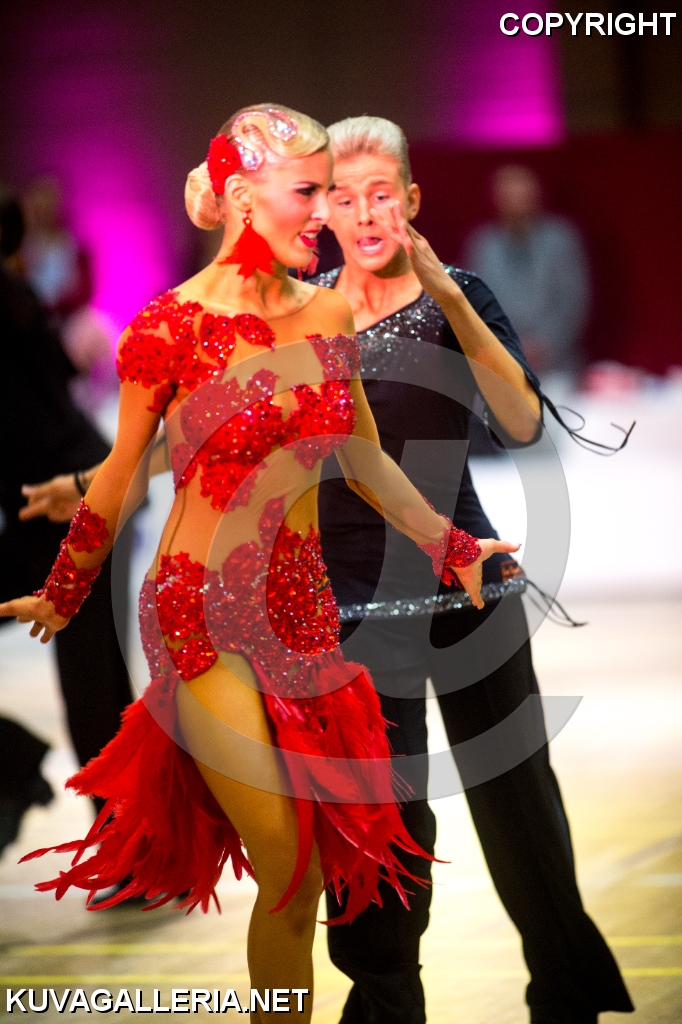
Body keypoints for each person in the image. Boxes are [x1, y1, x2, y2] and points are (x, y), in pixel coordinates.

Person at [0, 105, 517, 1022]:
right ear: (242, 196)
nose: (324, 211)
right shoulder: (168, 325)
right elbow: (120, 476)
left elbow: (361, 458)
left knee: (306, 877)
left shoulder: (326, 310)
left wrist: (455, 545)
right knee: (288, 861)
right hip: (199, 612)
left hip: (302, 611)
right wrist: (63, 589)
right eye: (308, 191)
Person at [313, 117, 632, 1024]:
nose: (365, 213)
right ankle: (384, 1009)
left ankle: (567, 992)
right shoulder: (302, 309)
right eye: (345, 196)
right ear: (323, 209)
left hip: (467, 586)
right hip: (355, 605)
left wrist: (450, 297)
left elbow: (523, 424)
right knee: (383, 820)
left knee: (517, 803)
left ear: (411, 200)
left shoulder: (461, 293)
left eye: (382, 194)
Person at [0, 188, 134, 821]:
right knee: (96, 682)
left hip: (73, 502)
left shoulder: (12, 299)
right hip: (61, 501)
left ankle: (128, 838)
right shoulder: (18, 295)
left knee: (94, 684)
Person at [465, 164, 589, 390]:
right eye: (508, 196)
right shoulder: (483, 244)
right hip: (501, 365)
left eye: (522, 196)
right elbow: (475, 304)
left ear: (536, 197)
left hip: (555, 367)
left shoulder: (560, 239)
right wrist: (507, 344)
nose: (516, 203)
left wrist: (544, 345)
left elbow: (573, 299)